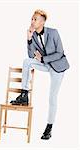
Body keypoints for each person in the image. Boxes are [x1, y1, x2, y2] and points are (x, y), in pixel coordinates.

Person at [10, 9, 69, 140]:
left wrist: (42, 59)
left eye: (35, 19)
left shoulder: (53, 32)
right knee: (27, 62)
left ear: (42, 21)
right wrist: (29, 39)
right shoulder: (34, 35)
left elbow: (59, 53)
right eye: (32, 18)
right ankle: (24, 94)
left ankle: (49, 127)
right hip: (45, 63)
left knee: (52, 98)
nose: (32, 21)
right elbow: (31, 56)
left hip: (58, 67)